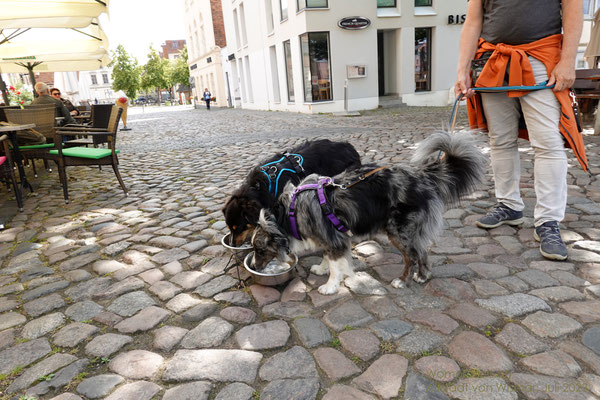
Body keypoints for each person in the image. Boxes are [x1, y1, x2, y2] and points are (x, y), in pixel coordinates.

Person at [455, 0, 587, 261]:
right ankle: (509, 205)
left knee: (547, 143)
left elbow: (573, 9)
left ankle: (548, 221)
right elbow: (473, 20)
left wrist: (568, 60)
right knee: (500, 141)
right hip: (492, 60)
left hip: (541, 57)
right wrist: (463, 69)